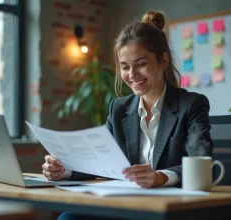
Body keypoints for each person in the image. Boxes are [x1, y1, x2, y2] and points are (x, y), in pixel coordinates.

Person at [42, 11, 213, 220]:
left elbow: (200, 161)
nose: (132, 75)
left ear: (164, 60)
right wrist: (64, 170)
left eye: (140, 64)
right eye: (124, 67)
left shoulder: (191, 105)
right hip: (128, 207)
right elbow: (98, 161)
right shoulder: (119, 109)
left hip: (172, 211)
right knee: (69, 217)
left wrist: (159, 177)